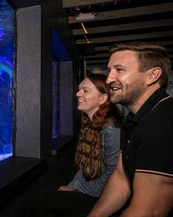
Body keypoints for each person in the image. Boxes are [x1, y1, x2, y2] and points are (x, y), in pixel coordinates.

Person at [88, 42, 173, 217]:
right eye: (109, 70)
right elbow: (121, 179)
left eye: (119, 70)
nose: (108, 79)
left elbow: (148, 212)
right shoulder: (134, 119)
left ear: (152, 76)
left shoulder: (163, 124)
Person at [38, 73, 122, 217]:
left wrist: (76, 188)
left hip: (104, 197)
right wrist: (71, 186)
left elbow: (113, 177)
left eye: (85, 90)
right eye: (79, 89)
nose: (78, 93)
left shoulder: (112, 129)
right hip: (94, 192)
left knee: (42, 200)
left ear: (102, 98)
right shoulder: (88, 124)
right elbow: (83, 168)